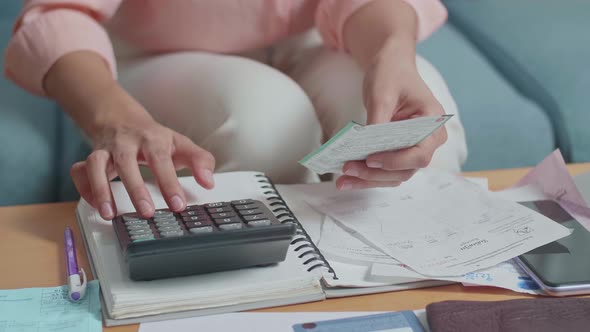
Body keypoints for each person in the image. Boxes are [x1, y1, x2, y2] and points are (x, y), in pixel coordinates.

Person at [4, 0, 467, 221]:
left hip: (317, 36)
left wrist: (391, 50)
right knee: (263, 129)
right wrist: (113, 117)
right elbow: (57, 16)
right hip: (156, 51)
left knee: (416, 126)